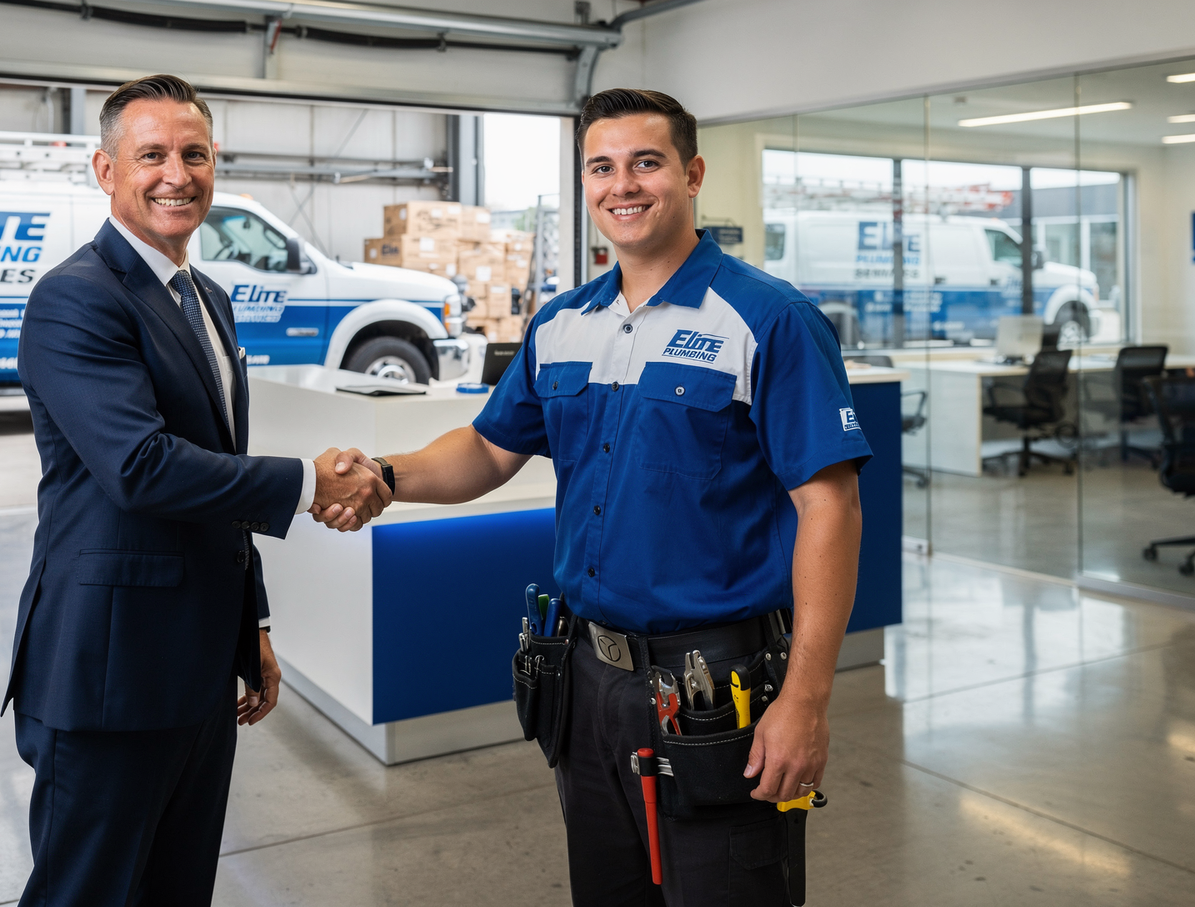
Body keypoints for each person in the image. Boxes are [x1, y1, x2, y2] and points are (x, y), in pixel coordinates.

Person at [315, 88, 869, 906]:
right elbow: (487, 449)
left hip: (716, 684)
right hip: (586, 682)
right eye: (601, 167)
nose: (623, 185)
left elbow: (831, 508)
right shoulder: (562, 322)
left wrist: (807, 700)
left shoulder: (769, 320)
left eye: (647, 162)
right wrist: (384, 476)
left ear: (691, 173)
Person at [1, 74, 389, 907]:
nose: (176, 173)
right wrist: (305, 481)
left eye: (195, 153)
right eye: (151, 155)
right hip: (109, 671)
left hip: (198, 664)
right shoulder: (74, 298)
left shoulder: (206, 297)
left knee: (178, 889)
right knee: (87, 891)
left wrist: (250, 626)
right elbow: (141, 467)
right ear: (106, 171)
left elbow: (211, 476)